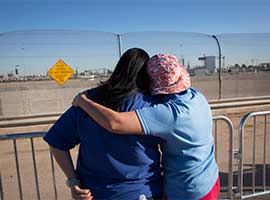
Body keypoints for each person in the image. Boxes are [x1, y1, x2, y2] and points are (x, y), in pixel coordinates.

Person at [72, 54, 220, 200]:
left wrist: (83, 101)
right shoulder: (196, 96)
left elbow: (115, 123)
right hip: (211, 180)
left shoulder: (169, 113)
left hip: (187, 190)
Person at [44, 48, 163, 200]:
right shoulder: (153, 105)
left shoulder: (86, 101)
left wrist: (73, 181)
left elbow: (57, 142)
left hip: (94, 193)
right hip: (143, 192)